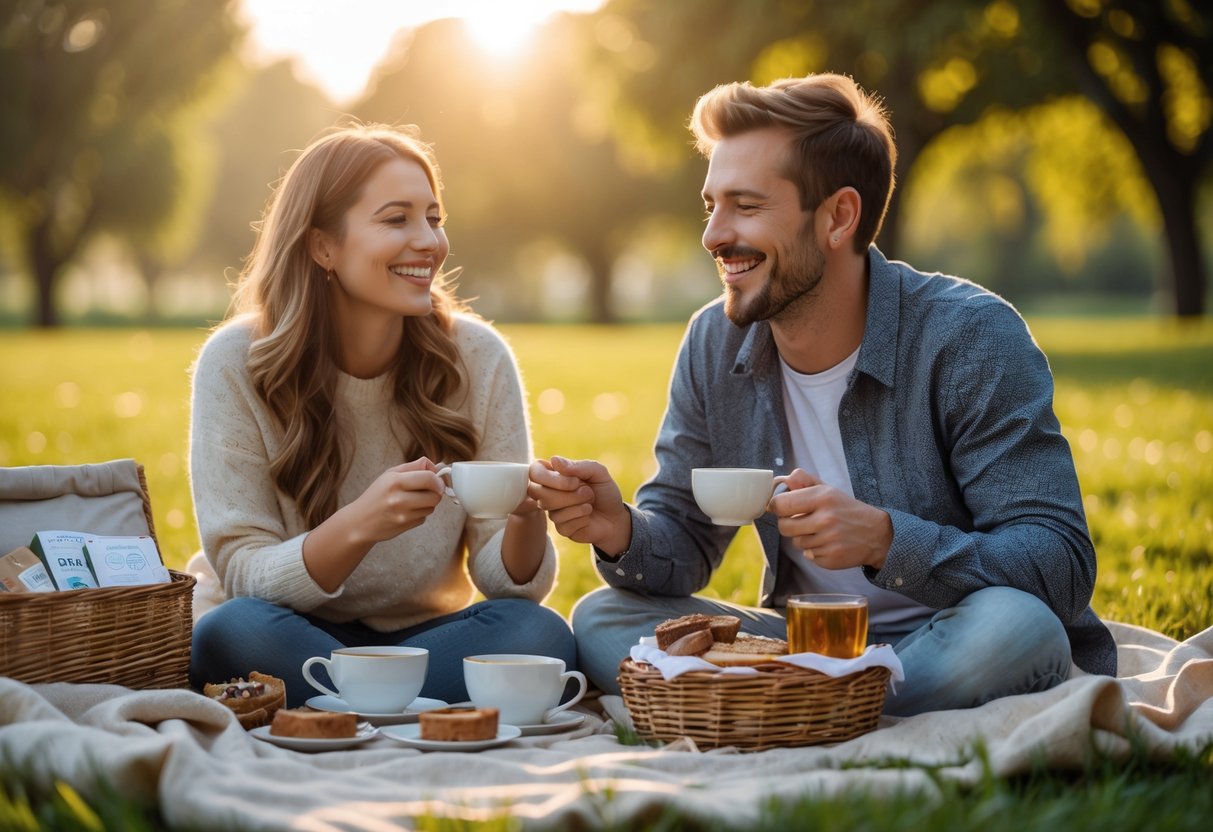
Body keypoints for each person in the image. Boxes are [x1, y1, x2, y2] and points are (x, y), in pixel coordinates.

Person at [528, 73, 1115, 716]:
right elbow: (686, 544)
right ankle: (839, 708)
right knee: (603, 617)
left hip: (953, 633)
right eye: (711, 205)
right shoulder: (713, 341)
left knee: (1018, 629)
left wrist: (886, 540)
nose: (713, 235)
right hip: (801, 645)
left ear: (838, 217)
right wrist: (621, 530)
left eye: (745, 206)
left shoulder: (969, 336)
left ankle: (797, 711)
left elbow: (1058, 562)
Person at [188, 124, 576, 708]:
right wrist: (361, 523)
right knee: (228, 631)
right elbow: (241, 570)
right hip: (286, 628)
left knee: (539, 635)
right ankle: (409, 705)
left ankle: (343, 703)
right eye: (397, 220)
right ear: (322, 245)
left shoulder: (477, 357)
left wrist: (525, 517)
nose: (429, 242)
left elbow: (506, 585)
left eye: (434, 219)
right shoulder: (235, 363)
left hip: (421, 638)